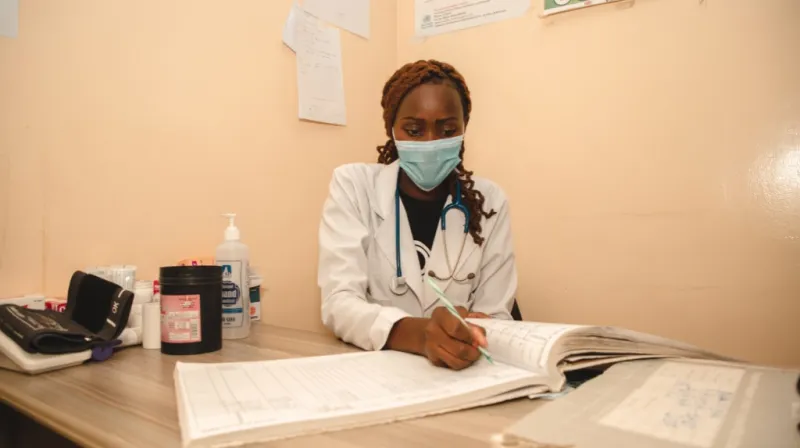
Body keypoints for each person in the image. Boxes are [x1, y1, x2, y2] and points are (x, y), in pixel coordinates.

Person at [318, 59, 521, 370]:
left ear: (464, 129)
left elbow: (495, 313)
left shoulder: (491, 201)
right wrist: (418, 334)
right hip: (377, 374)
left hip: (460, 375)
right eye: (414, 130)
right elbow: (339, 303)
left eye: (447, 130)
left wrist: (480, 329)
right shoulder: (354, 186)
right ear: (393, 130)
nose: (430, 143)